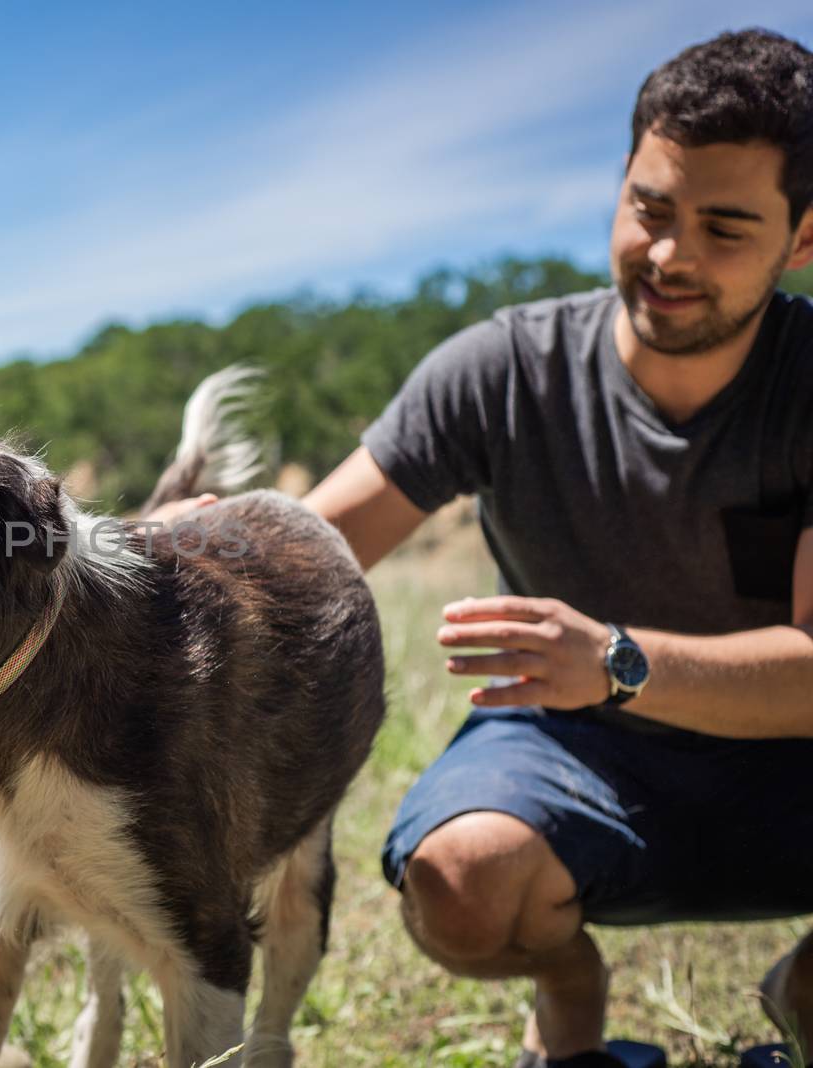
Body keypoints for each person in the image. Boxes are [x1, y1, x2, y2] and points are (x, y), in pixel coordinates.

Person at [150, 27, 813, 1067]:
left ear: (804, 238)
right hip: (575, 752)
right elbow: (314, 549)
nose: (670, 255)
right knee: (458, 879)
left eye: (725, 228)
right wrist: (169, 551)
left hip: (789, 763)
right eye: (649, 209)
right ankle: (567, 988)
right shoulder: (501, 369)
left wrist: (612, 662)